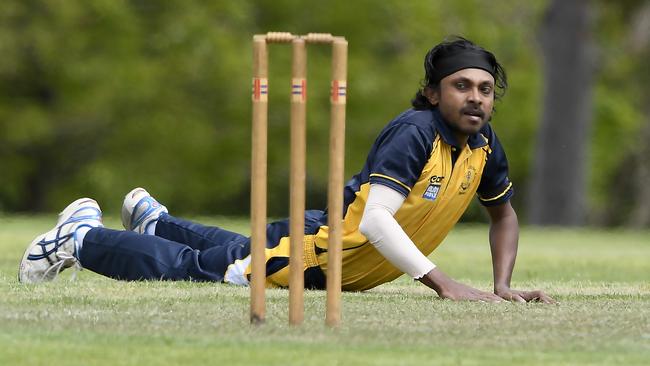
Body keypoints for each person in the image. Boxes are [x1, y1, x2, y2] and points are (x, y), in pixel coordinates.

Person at [19, 36, 554, 304]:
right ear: (434, 92)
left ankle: (154, 221)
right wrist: (444, 284)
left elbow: (503, 215)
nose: (476, 98)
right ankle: (79, 240)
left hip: (327, 242)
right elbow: (375, 223)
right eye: (463, 86)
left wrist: (501, 285)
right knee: (199, 269)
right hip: (316, 255)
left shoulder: (484, 145)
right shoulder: (416, 132)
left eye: (485, 89)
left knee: (231, 249)